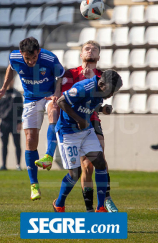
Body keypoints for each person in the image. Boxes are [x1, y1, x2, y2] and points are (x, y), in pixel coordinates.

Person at [0, 37, 64, 201]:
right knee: (30, 140)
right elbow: (10, 69)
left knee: (54, 112)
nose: (31, 61)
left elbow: (61, 75)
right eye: (28, 59)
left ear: (38, 52)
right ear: (21, 54)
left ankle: (48, 156)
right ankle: (34, 185)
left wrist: (57, 93)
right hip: (30, 99)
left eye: (34, 57)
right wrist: (4, 88)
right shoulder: (15, 57)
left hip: (48, 96)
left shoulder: (49, 58)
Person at [52, 70, 122, 213]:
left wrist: (102, 108)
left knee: (100, 162)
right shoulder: (84, 87)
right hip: (68, 132)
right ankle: (59, 204)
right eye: (110, 91)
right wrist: (80, 120)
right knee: (75, 174)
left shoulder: (100, 91)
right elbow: (61, 101)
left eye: (113, 93)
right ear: (102, 83)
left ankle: (101, 207)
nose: (110, 95)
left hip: (86, 131)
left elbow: (88, 104)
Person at [61, 40, 118, 212]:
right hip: (74, 120)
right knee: (85, 166)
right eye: (87, 48)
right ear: (81, 54)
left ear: (98, 56)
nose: (90, 51)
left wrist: (103, 108)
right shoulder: (70, 74)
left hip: (92, 118)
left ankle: (106, 199)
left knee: (98, 159)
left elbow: (98, 101)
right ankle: (89, 207)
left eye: (94, 49)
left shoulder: (103, 76)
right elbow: (65, 99)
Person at [0, 80, 23, 171]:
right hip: (4, 122)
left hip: (15, 122)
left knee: (17, 144)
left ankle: (18, 165)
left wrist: (19, 122)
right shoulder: (1, 94)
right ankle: (4, 165)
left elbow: (20, 109)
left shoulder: (17, 94)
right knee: (4, 144)